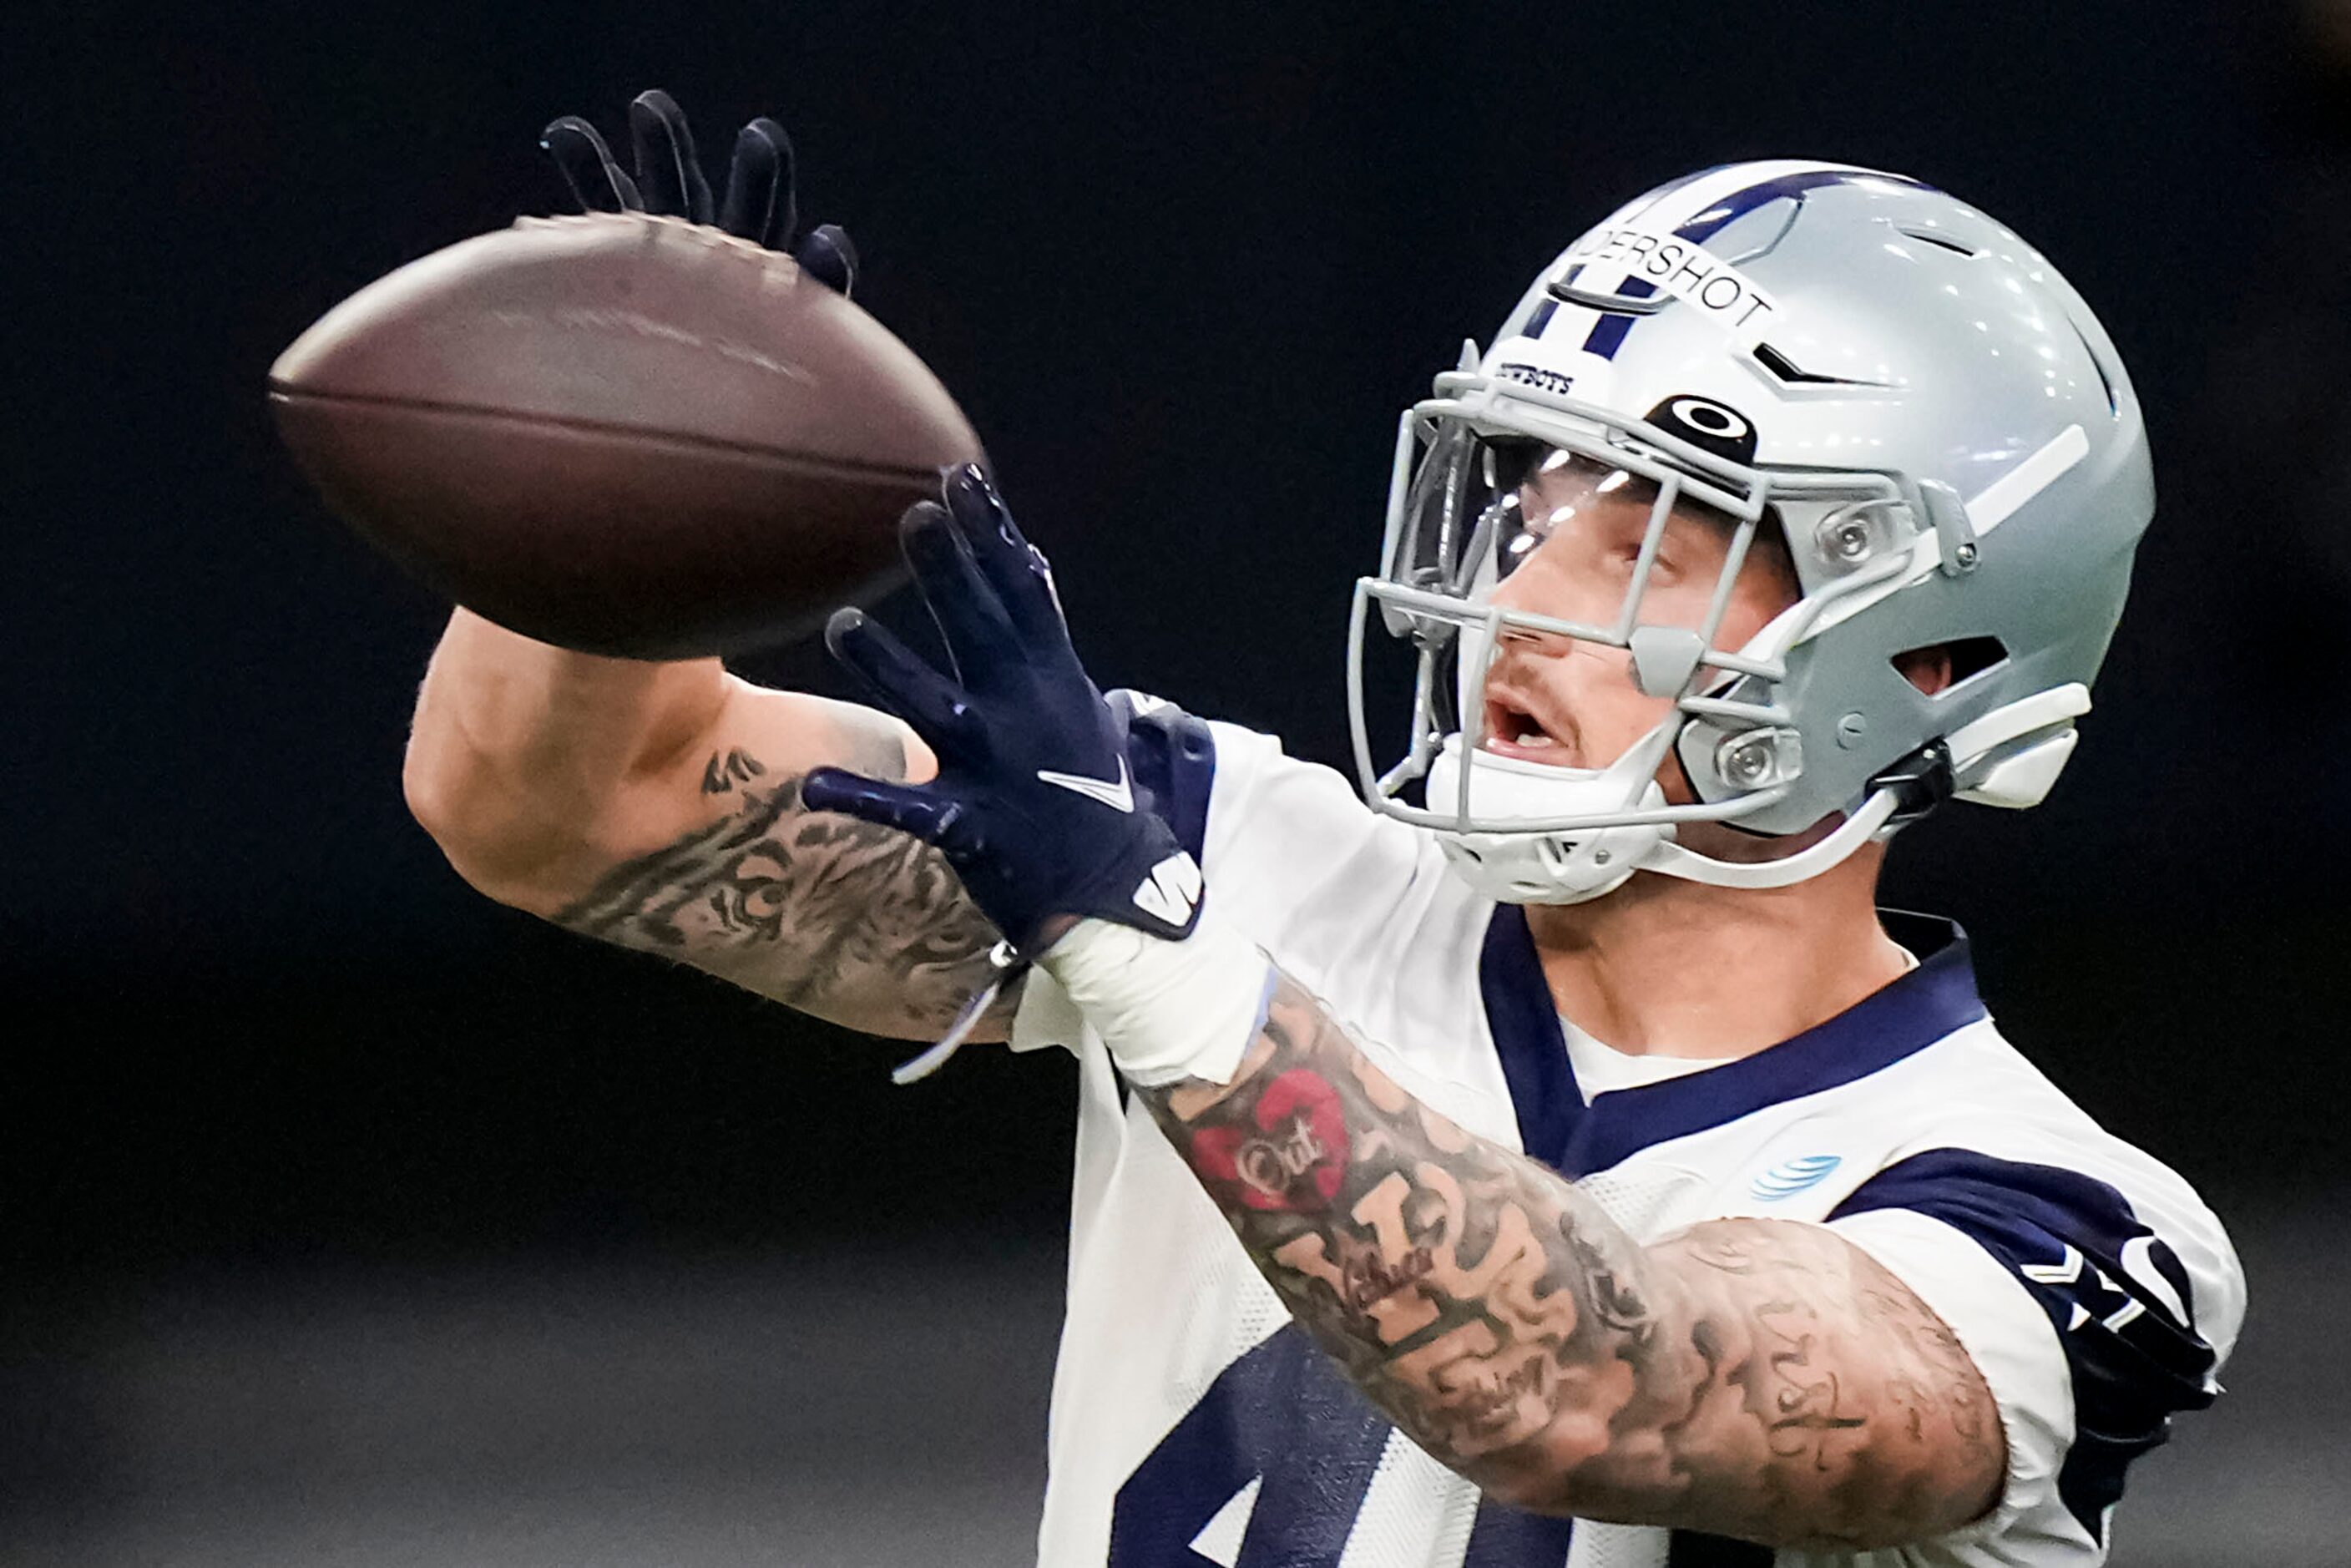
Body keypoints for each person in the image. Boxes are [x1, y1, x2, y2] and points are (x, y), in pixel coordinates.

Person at [403, 98, 2242, 1567]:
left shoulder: (2062, 1222)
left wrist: (1166, 957)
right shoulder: (1246, 867)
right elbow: (556, 811)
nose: (1525, 596)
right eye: (1528, 505)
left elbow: (1596, 1390)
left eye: (1648, 540)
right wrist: (597, 524)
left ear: (1919, 654)